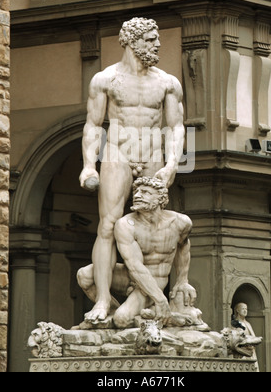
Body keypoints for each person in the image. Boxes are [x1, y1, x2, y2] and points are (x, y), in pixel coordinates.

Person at [79, 17, 185, 323]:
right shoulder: (106, 79)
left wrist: (171, 164)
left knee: (154, 226)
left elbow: (177, 127)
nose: (157, 44)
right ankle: (101, 299)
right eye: (150, 39)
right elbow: (93, 125)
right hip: (118, 153)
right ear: (131, 41)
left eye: (157, 39)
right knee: (108, 226)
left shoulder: (167, 82)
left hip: (152, 152)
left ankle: (153, 297)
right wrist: (88, 165)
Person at [77, 177, 196, 327]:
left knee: (123, 319)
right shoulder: (126, 224)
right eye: (136, 191)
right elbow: (134, 265)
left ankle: (138, 317)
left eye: (145, 192)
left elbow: (183, 246)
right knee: (84, 275)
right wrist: (161, 299)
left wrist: (182, 280)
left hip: (156, 278)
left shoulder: (180, 222)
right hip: (130, 275)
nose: (138, 195)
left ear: (161, 198)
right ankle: (112, 314)